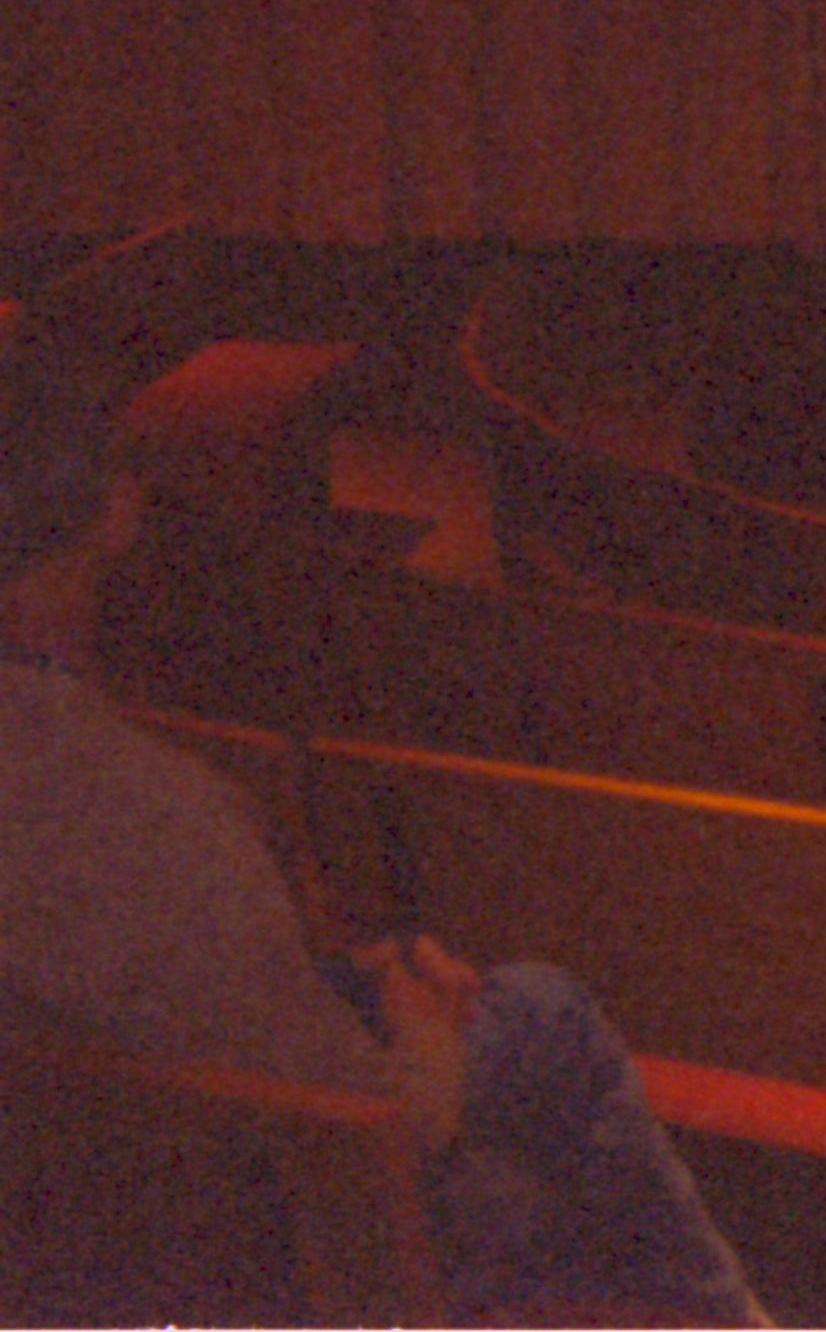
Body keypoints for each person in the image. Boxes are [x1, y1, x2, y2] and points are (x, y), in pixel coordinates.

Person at [0, 358, 769, 1327]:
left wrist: (340, 982)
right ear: (114, 513)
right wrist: (422, 1036)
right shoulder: (152, 813)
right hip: (245, 1238)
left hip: (60, 1210)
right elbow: (368, 1128)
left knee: (531, 1024)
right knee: (528, 1107)